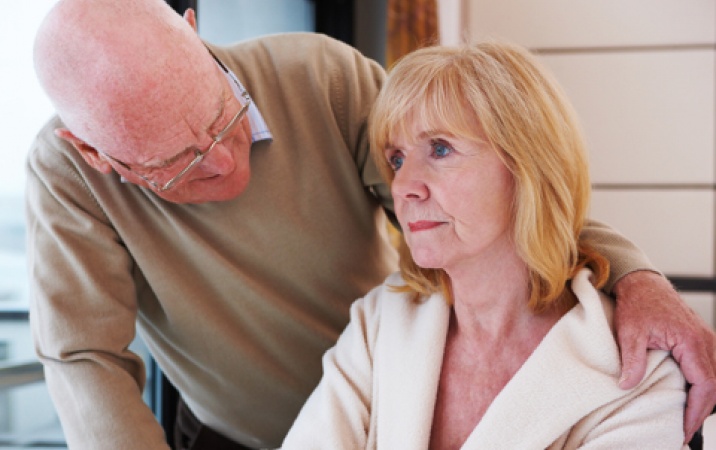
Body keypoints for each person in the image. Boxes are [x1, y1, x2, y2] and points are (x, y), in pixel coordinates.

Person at [26, 0, 714, 448]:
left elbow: (495, 198)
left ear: (193, 30)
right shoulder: (68, 179)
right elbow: (84, 359)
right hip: (237, 432)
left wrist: (635, 274)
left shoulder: (321, 77)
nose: (226, 161)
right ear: (96, 155)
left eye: (224, 116)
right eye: (179, 164)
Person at [281, 41, 689, 449]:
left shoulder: (636, 369)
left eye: (440, 149)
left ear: (527, 164)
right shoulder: (379, 323)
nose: (403, 186)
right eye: (398, 159)